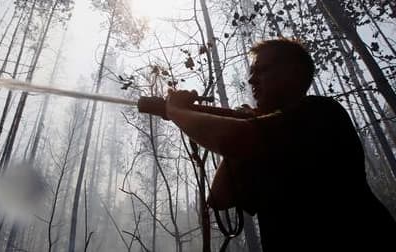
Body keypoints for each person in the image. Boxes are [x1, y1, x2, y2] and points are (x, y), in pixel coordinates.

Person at [165, 38, 396, 251]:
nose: (251, 80)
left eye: (260, 70)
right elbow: (220, 197)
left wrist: (174, 111)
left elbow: (234, 138)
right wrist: (248, 125)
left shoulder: (321, 111)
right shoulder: (263, 140)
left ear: (291, 74)